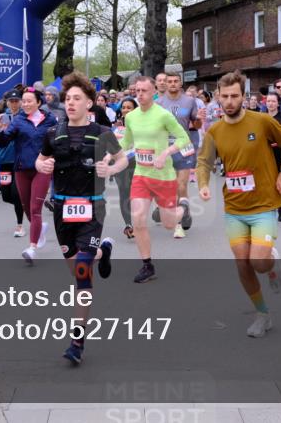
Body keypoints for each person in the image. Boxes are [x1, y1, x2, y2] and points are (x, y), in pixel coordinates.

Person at [34, 72, 129, 365]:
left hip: (92, 207)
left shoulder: (102, 132)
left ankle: (77, 341)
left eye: (77, 98)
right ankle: (103, 251)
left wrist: (110, 169)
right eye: (68, 99)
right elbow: (40, 160)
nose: (71, 103)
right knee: (75, 268)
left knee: (82, 274)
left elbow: (123, 159)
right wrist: (42, 166)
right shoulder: (53, 133)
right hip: (62, 209)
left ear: (89, 103)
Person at [197, 71, 281, 337]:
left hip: (264, 204)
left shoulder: (262, 121)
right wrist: (203, 184)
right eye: (225, 96)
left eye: (235, 96)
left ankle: (272, 263)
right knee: (242, 263)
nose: (229, 101)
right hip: (234, 207)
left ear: (244, 96)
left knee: (259, 262)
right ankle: (262, 314)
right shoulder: (215, 131)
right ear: (218, 97)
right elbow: (204, 161)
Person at [120, 76, 192, 282]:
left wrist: (165, 153)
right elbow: (127, 142)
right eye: (137, 91)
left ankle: (183, 208)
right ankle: (147, 265)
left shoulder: (163, 115)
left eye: (144, 91)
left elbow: (184, 138)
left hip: (163, 176)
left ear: (153, 92)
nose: (140, 94)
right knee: (138, 220)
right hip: (141, 175)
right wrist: (110, 154)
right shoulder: (131, 117)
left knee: (169, 224)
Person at [0, 88, 56, 264]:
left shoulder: (50, 119)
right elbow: (3, 142)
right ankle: (39, 230)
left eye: (30, 101)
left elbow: (57, 141)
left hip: (42, 169)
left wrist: (54, 158)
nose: (26, 104)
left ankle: (32, 247)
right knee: (27, 207)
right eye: (24, 101)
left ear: (38, 102)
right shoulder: (18, 121)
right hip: (22, 169)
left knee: (35, 208)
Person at [156, 71, 198, 237]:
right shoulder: (158, 103)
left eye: (176, 81)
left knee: (181, 185)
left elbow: (196, 124)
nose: (173, 83)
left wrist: (199, 119)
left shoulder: (190, 101)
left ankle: (178, 223)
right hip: (165, 149)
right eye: (170, 81)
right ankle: (180, 211)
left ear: (180, 84)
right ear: (165, 84)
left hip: (184, 148)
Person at [0, 91, 25, 237]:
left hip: (19, 161)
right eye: (11, 101)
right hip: (5, 161)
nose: (14, 103)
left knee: (15, 193)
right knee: (6, 196)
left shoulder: (24, 117)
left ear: (20, 102)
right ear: (7, 102)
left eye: (16, 100)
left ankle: (20, 225)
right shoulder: (2, 117)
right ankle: (24, 204)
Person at [264, 92, 281, 223]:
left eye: (273, 101)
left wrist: (276, 142)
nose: (270, 104)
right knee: (265, 183)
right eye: (268, 101)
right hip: (264, 154)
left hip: (280, 154)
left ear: (278, 103)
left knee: (280, 183)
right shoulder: (261, 117)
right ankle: (267, 208)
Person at [114, 98, 138, 239]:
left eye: (129, 107)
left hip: (139, 163)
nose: (126, 110)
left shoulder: (143, 124)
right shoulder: (116, 127)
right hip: (121, 164)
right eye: (124, 107)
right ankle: (128, 224)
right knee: (124, 193)